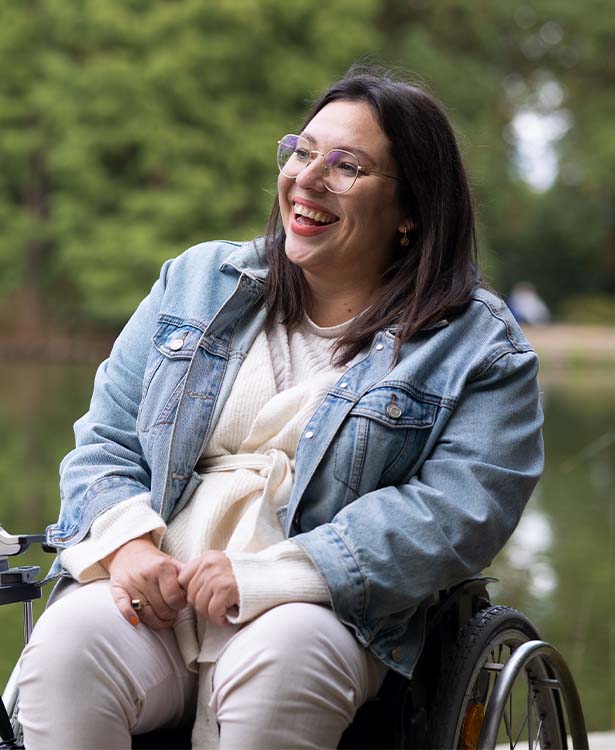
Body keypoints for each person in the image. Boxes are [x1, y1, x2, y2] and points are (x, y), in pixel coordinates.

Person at [17, 66, 544, 750]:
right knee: (66, 645)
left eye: (346, 166)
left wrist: (273, 575)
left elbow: (454, 511)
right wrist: (124, 546)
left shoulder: (477, 347)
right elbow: (106, 440)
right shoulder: (197, 282)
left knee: (281, 663)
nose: (307, 178)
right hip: (162, 594)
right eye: (301, 151)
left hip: (319, 608)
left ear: (411, 209)